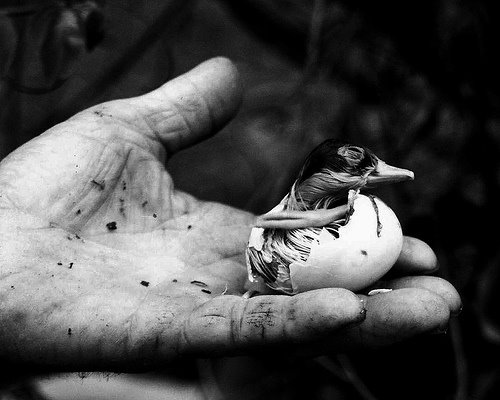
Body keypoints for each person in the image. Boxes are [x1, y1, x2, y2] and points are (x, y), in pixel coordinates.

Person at [0, 57, 460, 377]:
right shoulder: (283, 232)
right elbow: (272, 229)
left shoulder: (357, 214)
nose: (379, 175)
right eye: (361, 169)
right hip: (283, 264)